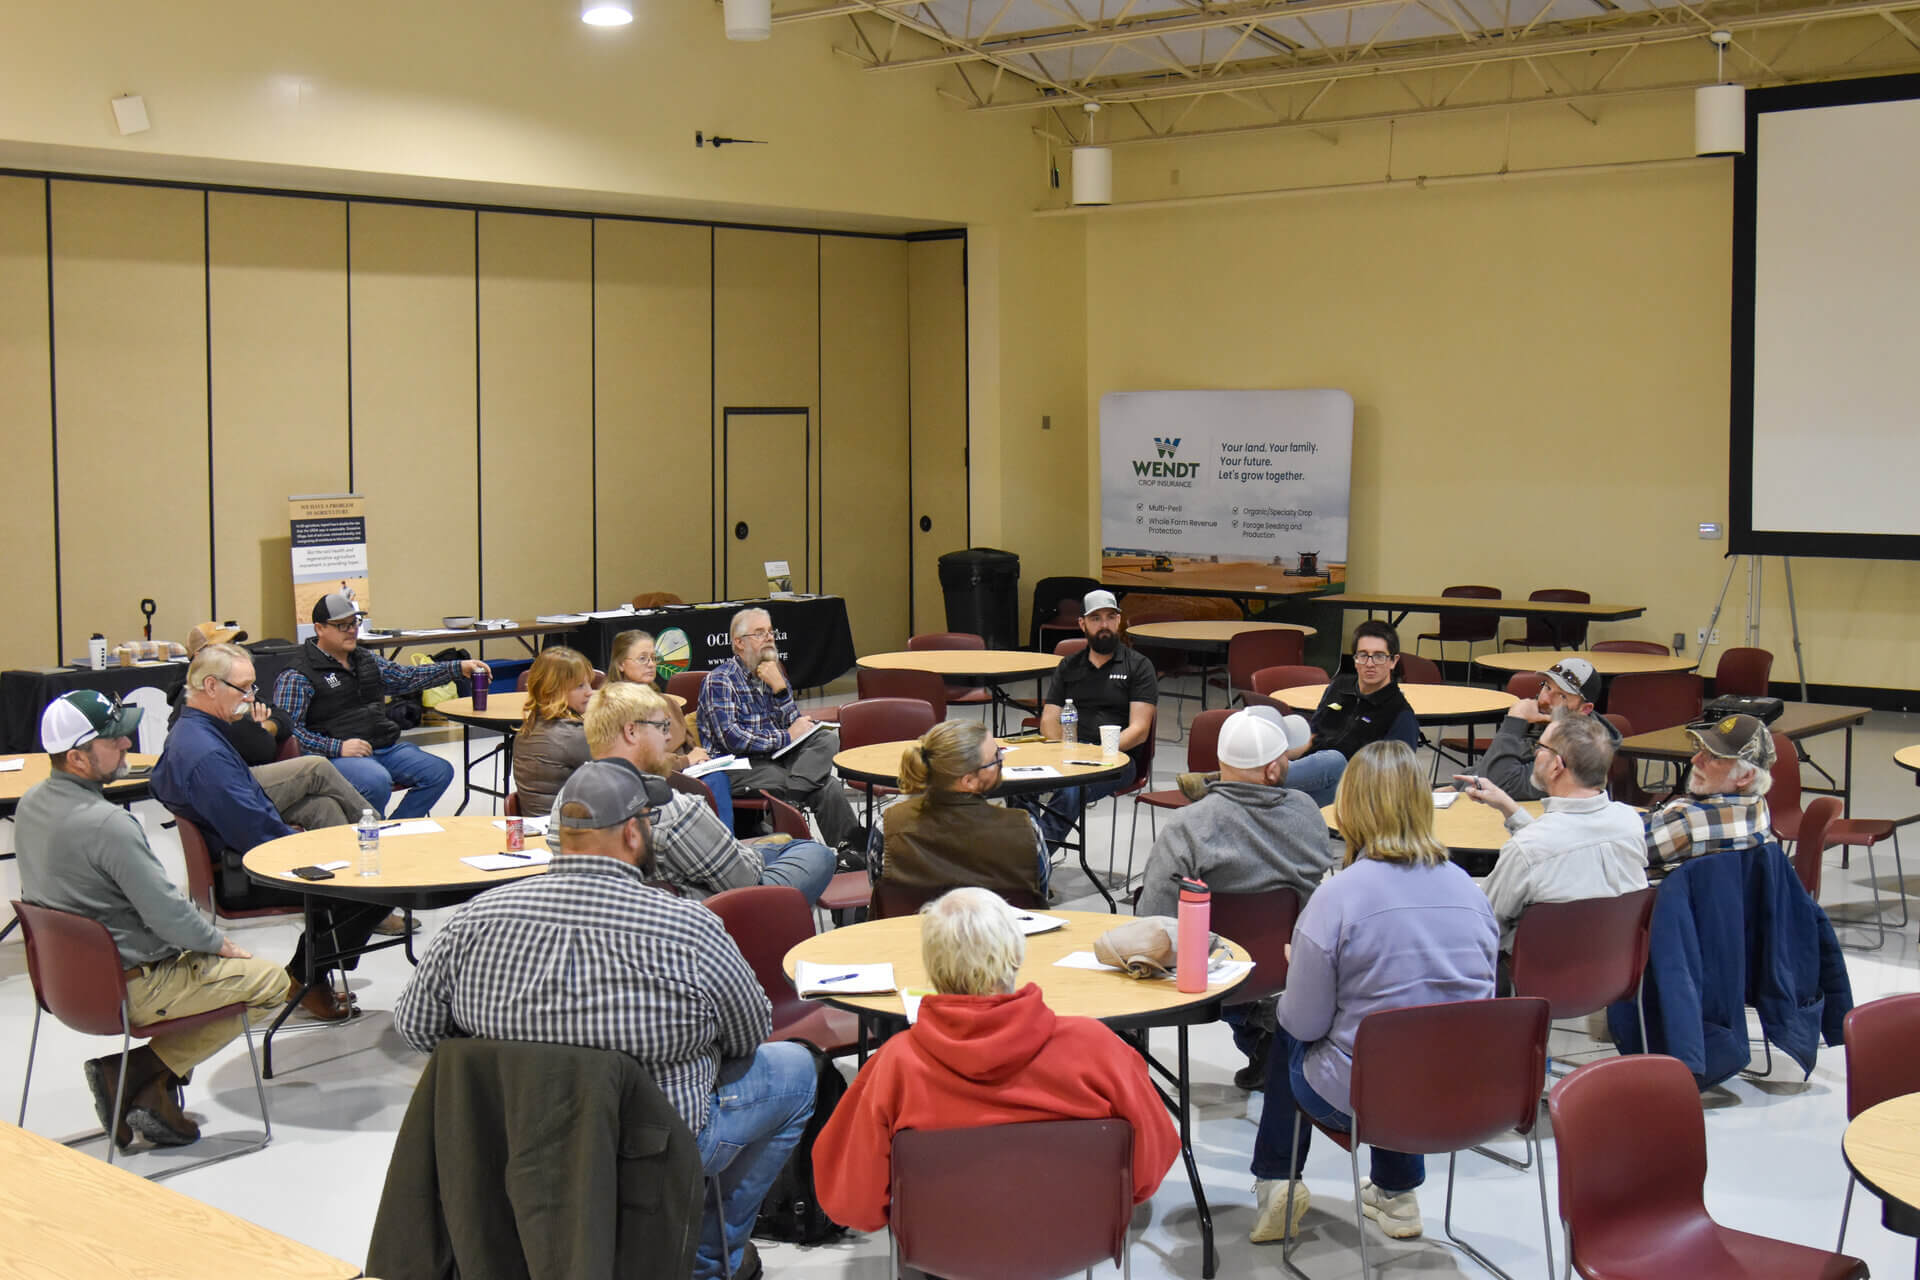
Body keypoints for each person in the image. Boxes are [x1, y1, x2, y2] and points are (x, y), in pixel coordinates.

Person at [392, 761, 813, 1280]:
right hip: (656, 1146)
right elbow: (749, 1033)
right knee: (796, 1071)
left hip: (513, 1141)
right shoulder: (688, 929)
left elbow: (415, 1028)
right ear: (635, 831)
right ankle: (705, 1259)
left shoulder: (474, 919)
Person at [15, 691, 295, 1149]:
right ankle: (133, 1074)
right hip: (133, 985)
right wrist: (220, 944)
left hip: (66, 983)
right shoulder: (108, 825)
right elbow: (168, 913)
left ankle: (151, 1089)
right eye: (113, 738)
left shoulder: (29, 806)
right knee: (271, 984)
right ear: (77, 758)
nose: (126, 743)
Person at [813, 887, 1179, 1231]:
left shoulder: (894, 1065)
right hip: (1073, 1237)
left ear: (931, 965)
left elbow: (851, 1202)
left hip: (941, 1246)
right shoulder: (1098, 1049)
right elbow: (1151, 1163)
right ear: (1016, 954)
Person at [1250, 740, 1497, 1246]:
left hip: (1368, 1097)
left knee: (1286, 1031)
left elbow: (1305, 1024)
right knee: (1409, 1029)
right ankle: (1398, 1192)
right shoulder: (1473, 891)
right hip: (1463, 1092)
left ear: (1350, 807)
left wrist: (1305, 976)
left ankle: (1277, 1179)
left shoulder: (1336, 896)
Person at [151, 643, 386, 1021]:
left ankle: (313, 973)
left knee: (324, 809)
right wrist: (319, 855)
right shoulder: (206, 755)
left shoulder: (196, 730)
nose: (250, 698)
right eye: (244, 688)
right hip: (244, 870)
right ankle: (304, 974)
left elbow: (247, 806)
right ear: (211, 686)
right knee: (370, 889)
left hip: (238, 846)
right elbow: (259, 838)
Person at [1136, 706, 1335, 1089]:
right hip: (1291, 965)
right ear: (1274, 770)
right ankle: (1262, 1030)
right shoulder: (1309, 813)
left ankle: (1254, 1028)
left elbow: (1152, 919)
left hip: (1209, 973)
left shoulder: (1188, 827)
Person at [584, 681, 835, 902]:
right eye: (661, 727)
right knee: (816, 853)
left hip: (647, 906)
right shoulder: (675, 811)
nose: (669, 736)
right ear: (631, 732)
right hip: (713, 912)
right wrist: (747, 857)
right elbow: (744, 880)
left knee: (778, 848)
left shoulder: (572, 801)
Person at [271, 591, 486, 819]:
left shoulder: (364, 658)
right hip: (334, 756)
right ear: (319, 628)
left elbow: (405, 677)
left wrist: (457, 668)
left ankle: (393, 831)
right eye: (342, 625)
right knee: (376, 780)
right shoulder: (297, 674)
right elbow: (290, 731)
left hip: (381, 746)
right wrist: (337, 748)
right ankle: (366, 837)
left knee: (438, 771)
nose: (352, 629)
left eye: (354, 622)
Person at [1456, 711, 1648, 948]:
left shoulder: (1527, 848)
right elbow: (1566, 848)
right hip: (1613, 970)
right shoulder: (1631, 823)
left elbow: (1487, 922)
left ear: (1557, 766)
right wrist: (1509, 807)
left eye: (1540, 747)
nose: (1535, 753)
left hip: (1535, 973)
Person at [700, 607, 863, 852]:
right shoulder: (720, 680)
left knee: (827, 739)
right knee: (824, 784)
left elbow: (796, 724)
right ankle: (806, 835)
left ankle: (852, 853)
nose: (768, 637)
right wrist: (786, 737)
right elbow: (732, 738)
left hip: (778, 758)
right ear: (739, 643)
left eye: (770, 632)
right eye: (759, 633)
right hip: (737, 765)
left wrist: (780, 690)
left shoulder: (773, 674)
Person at [1015, 589, 1158, 849]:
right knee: (1018, 784)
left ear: (1119, 621)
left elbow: (1139, 729)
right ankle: (1029, 850)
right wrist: (1065, 752)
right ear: (1082, 624)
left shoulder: (1139, 666)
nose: (1104, 625)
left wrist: (1097, 754)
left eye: (1110, 617)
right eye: (1096, 619)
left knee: (1072, 790)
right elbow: (1049, 720)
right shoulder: (1069, 666)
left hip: (1117, 761)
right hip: (1069, 754)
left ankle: (1033, 864)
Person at [872, 720, 1050, 902]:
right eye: (996, 757)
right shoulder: (1026, 829)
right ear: (968, 781)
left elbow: (881, 891)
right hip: (1005, 929)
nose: (1002, 760)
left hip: (913, 929)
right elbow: (1038, 896)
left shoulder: (888, 826)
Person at [1282, 620, 1421, 807]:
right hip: (1309, 778)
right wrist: (1278, 754)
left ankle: (1251, 781)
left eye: (1379, 656)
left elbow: (1398, 777)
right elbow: (1312, 737)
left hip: (1355, 796)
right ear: (1355, 659)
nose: (1370, 664)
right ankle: (1263, 782)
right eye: (1363, 655)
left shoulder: (1400, 713)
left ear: (1393, 661)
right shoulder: (1339, 687)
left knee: (1334, 760)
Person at [606, 628, 734, 830]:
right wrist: (685, 760)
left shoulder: (668, 702)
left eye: (653, 658)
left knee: (718, 777)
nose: (650, 664)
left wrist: (697, 755)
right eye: (642, 658)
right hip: (651, 779)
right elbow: (641, 760)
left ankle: (725, 845)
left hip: (686, 772)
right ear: (621, 664)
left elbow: (689, 744)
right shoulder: (616, 707)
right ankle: (725, 848)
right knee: (714, 782)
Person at [1467, 657, 1620, 802]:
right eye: (1547, 687)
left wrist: (1514, 722)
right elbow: (1492, 766)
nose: (1545, 699)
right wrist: (1457, 785)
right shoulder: (1544, 722)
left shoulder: (1581, 746)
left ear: (1585, 709)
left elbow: (1501, 785)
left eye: (1561, 696)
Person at [1642, 713, 1775, 868]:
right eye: (1701, 749)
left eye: (1713, 756)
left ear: (1745, 776)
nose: (1695, 760)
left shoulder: (1689, 823)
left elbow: (1621, 849)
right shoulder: (1759, 806)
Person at [511, 646, 594, 818]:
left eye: (589, 683)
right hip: (566, 829)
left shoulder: (527, 728)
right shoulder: (572, 735)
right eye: (580, 686)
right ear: (553, 690)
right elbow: (615, 776)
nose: (589, 692)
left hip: (535, 822)